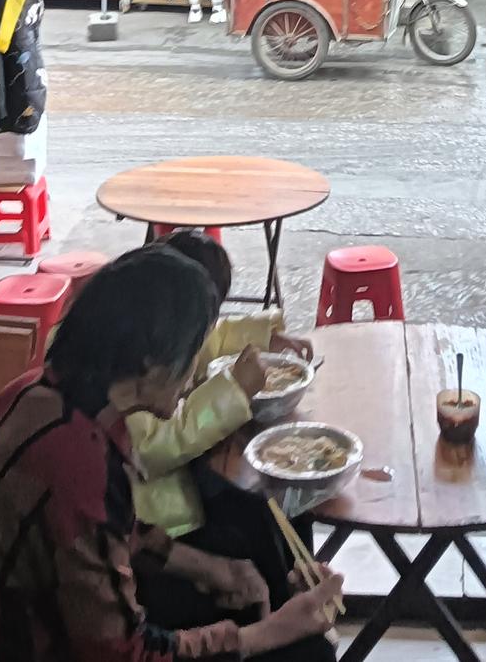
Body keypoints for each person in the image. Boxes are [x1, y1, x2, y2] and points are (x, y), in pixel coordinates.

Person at [0, 244, 342, 662]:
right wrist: (272, 631)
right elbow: (125, 652)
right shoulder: (74, 460)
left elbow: (113, 532)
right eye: (193, 353)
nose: (194, 373)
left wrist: (213, 569)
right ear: (151, 363)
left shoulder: (42, 394)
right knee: (301, 649)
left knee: (255, 600)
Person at [127, 235, 324, 657]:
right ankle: (290, 620)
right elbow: (152, 449)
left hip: (161, 524)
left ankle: (296, 608)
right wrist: (232, 390)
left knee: (282, 509)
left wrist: (263, 338)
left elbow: (210, 341)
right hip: (168, 521)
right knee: (258, 526)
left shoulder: (136, 328)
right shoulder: (99, 402)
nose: (188, 379)